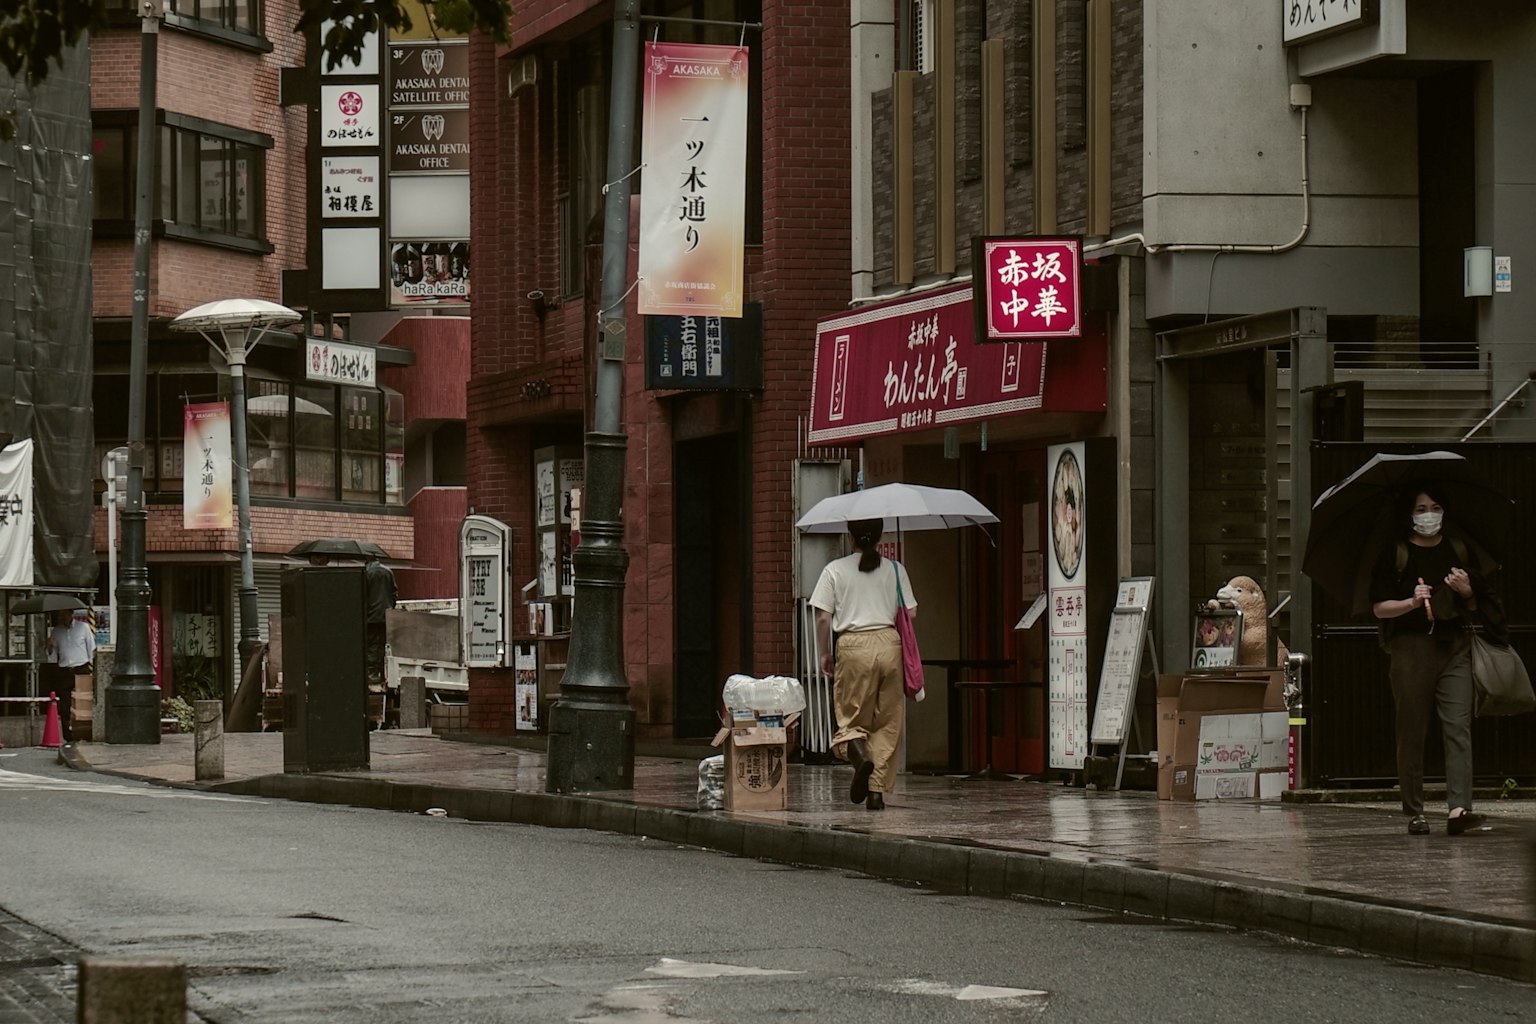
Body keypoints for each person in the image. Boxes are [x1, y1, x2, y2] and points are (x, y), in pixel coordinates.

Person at [1370, 485, 1502, 837]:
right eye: (1421, 509)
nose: (1429, 515)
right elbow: (1380, 608)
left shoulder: (1458, 549)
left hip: (1454, 645)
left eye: (1436, 507)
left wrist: (1467, 590)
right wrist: (1412, 602)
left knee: (1458, 725)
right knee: (1412, 729)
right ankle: (1415, 811)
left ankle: (1459, 809)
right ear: (1410, 515)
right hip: (1411, 649)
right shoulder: (1396, 553)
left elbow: (1476, 604)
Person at [810, 518, 916, 811]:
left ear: (850, 536)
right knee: (888, 723)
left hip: (853, 646)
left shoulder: (834, 570)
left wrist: (824, 653)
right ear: (880, 537)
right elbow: (911, 612)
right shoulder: (896, 569)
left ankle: (860, 759)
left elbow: (823, 618)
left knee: (851, 719)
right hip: (890, 644)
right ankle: (876, 793)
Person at [44, 608, 94, 743]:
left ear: (71, 614)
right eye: (60, 614)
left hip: (81, 668)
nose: (62, 617)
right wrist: (50, 647)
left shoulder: (83, 627)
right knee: (65, 704)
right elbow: (52, 656)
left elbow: (91, 649)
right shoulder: (56, 631)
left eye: (64, 614)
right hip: (64, 670)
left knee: (83, 702)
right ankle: (68, 735)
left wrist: (91, 668)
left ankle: (85, 732)